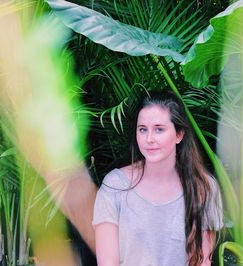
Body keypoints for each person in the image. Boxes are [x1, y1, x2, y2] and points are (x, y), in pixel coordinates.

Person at [92, 90, 223, 266]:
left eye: (159, 129)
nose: (149, 139)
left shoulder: (204, 187)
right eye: (142, 129)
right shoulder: (115, 186)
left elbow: (203, 261)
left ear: (179, 134)